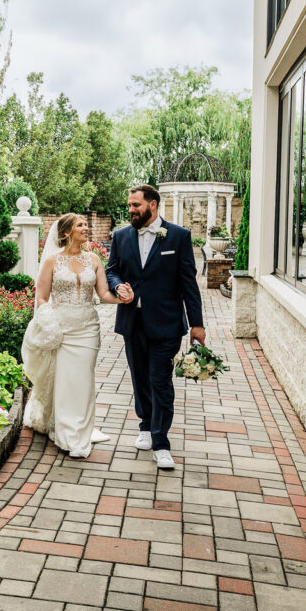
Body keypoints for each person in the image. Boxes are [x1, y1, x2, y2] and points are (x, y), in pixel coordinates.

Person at [105, 184, 204, 470]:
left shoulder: (179, 236)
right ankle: (146, 425)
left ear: (153, 205)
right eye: (129, 205)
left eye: (136, 205)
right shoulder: (121, 236)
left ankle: (161, 443)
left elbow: (189, 284)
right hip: (132, 322)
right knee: (140, 377)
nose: (131, 210)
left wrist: (197, 325)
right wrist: (118, 285)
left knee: (160, 381)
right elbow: (112, 269)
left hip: (167, 324)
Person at [21, 213, 132, 458]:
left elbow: (103, 294)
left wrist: (122, 297)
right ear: (66, 232)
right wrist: (48, 320)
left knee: (83, 380)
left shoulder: (93, 259)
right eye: (80, 225)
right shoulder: (51, 261)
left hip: (88, 329)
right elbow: (41, 297)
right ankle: (66, 433)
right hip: (61, 330)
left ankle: (80, 431)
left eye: (85, 224)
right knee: (65, 380)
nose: (86, 228)